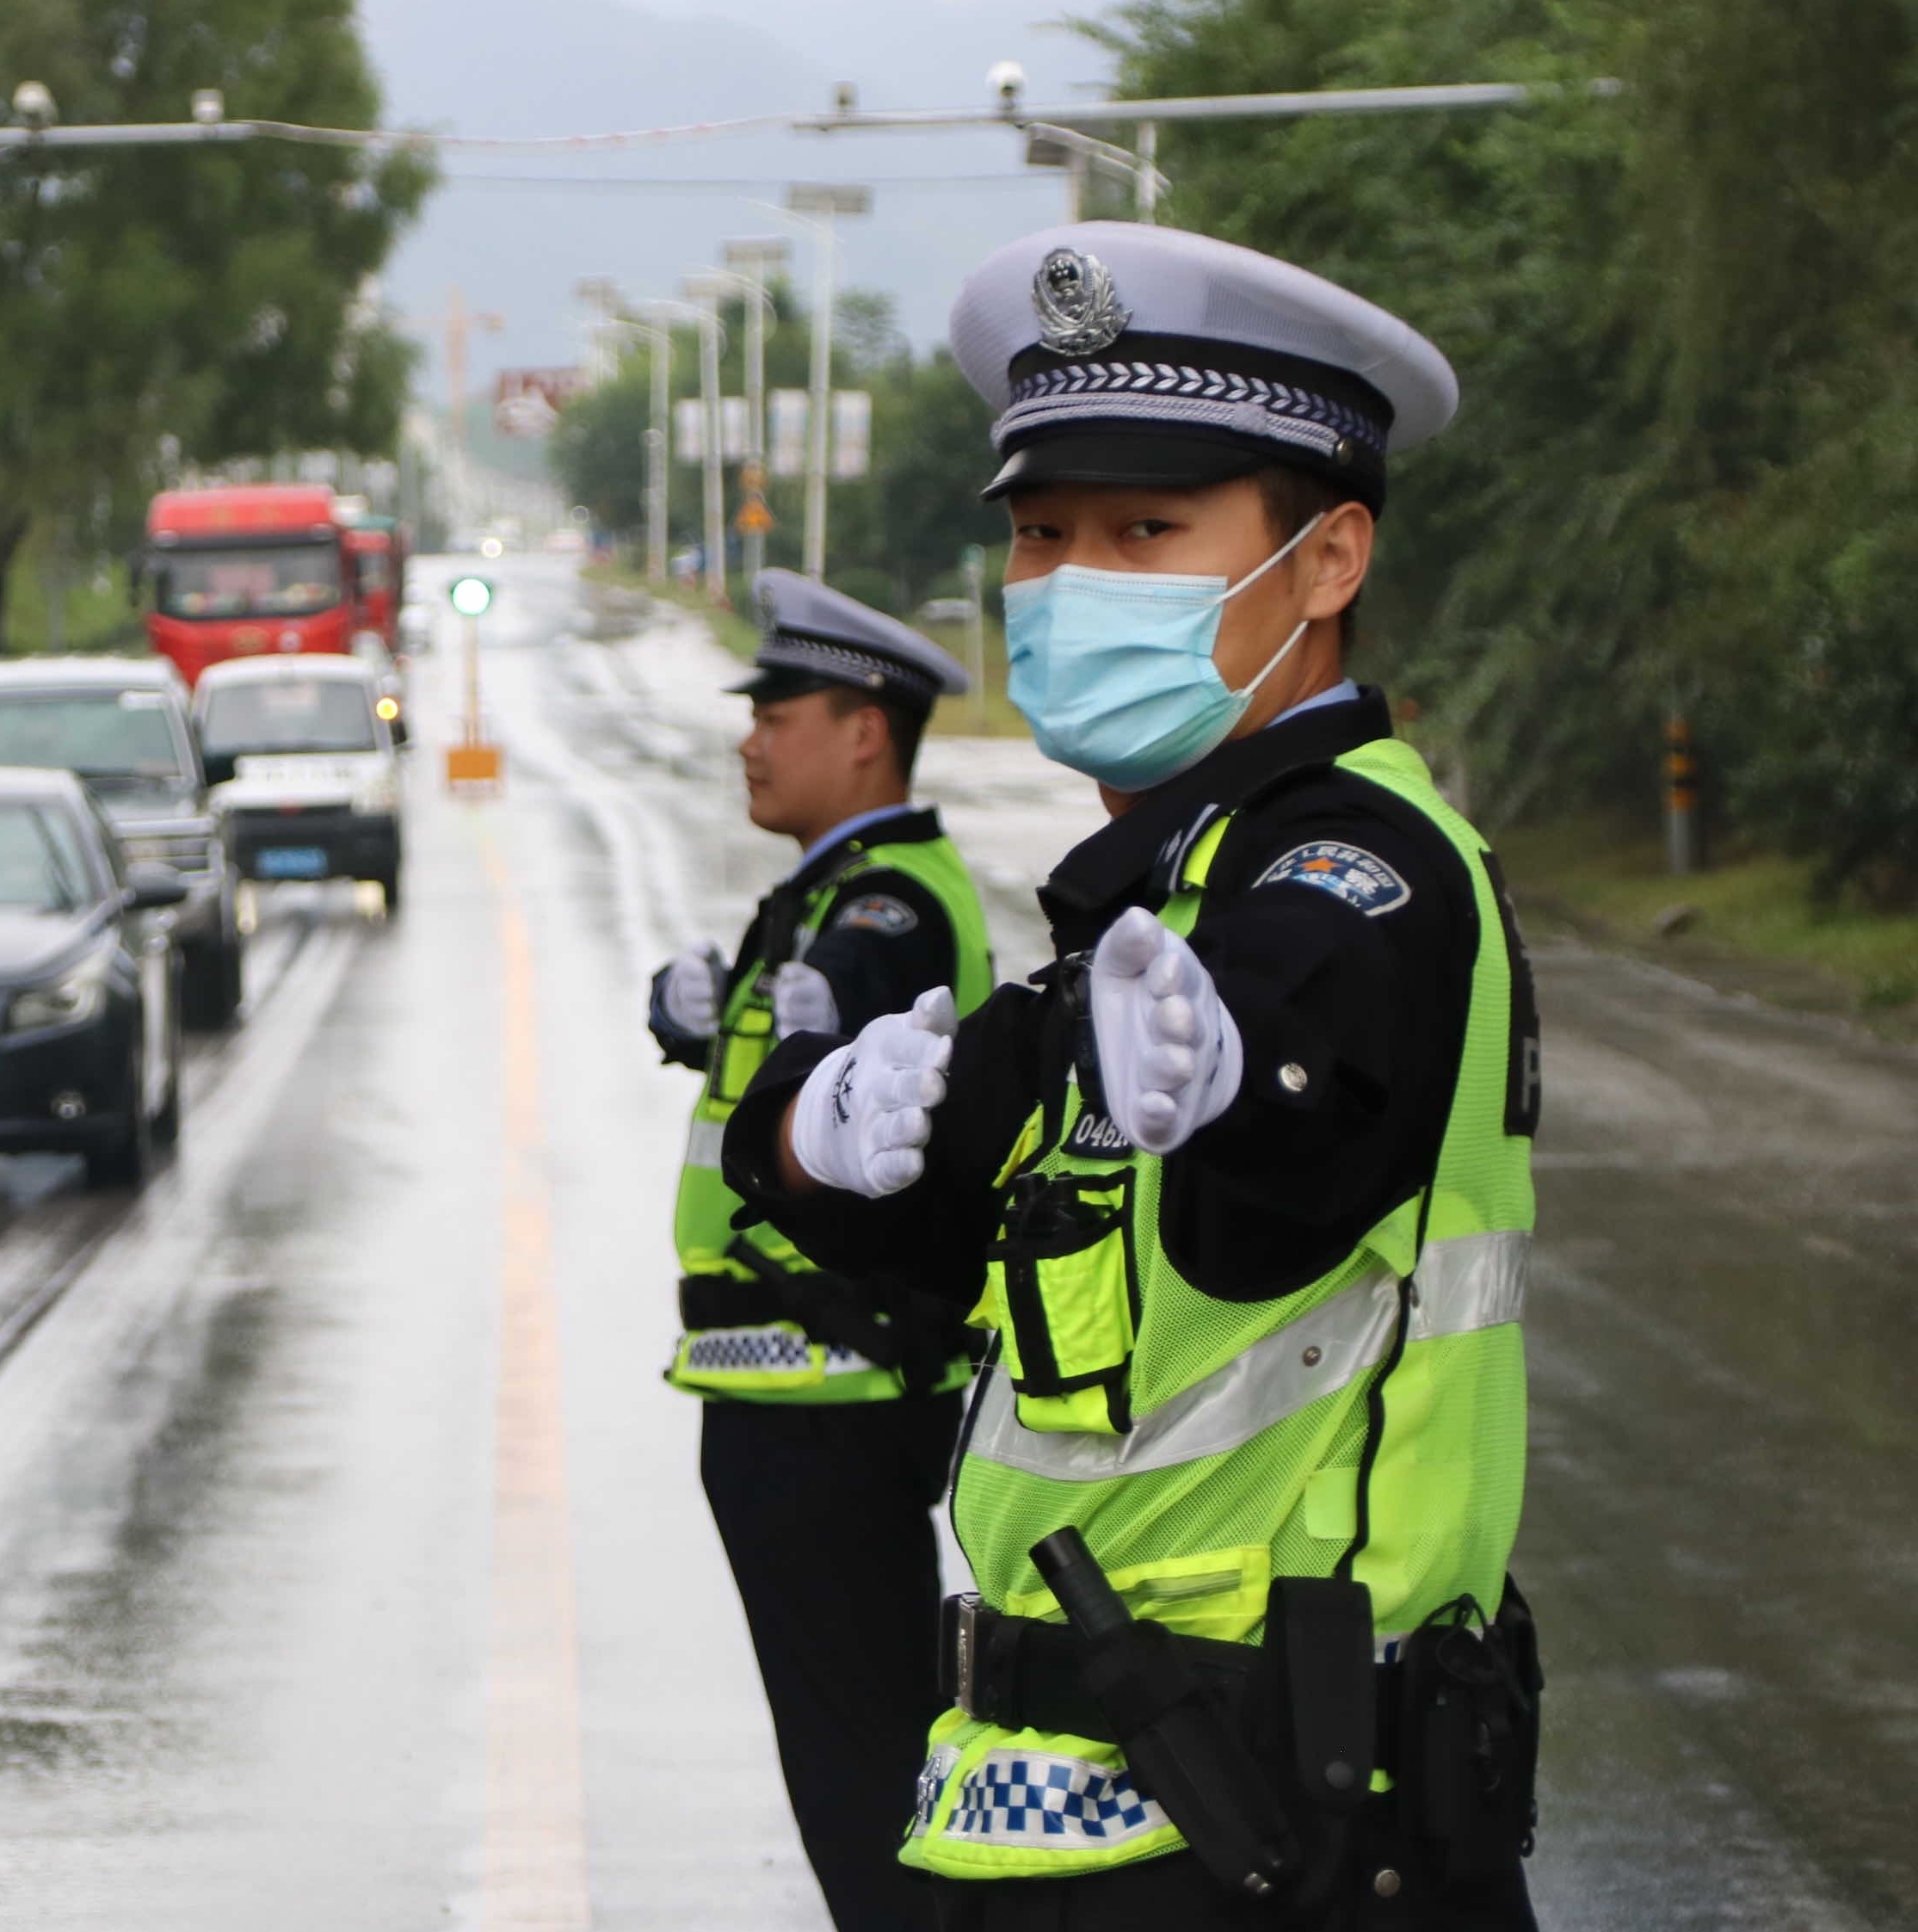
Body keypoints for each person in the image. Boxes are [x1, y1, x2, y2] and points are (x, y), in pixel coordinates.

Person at [720, 223, 1544, 1929]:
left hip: (1285, 1823)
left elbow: (1302, 1065)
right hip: (1058, 1808)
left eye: (1147, 531)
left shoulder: (1355, 862)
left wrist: (1233, 1071)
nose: (1073, 576)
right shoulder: (1153, 902)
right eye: (1042, 533)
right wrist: (814, 1127)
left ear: (1327, 563)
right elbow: (914, 1201)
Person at [646, 571, 991, 1932]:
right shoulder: (829, 891)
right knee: (859, 1754)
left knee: (861, 1769)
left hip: (829, 1395)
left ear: (864, 730)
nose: (750, 737)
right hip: (793, 1386)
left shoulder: (884, 903)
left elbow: (846, 1064)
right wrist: (697, 1023)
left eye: (776, 712)